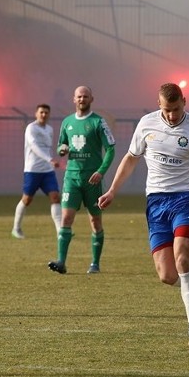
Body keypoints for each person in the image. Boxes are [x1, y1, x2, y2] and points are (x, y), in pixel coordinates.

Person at [97, 83, 189, 346]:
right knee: (168, 276)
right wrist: (112, 190)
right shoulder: (146, 124)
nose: (172, 115)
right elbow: (131, 159)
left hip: (186, 199)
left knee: (183, 259)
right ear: (159, 104)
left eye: (177, 109)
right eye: (167, 110)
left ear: (185, 101)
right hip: (156, 202)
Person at [47, 86, 116, 275]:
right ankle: (61, 261)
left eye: (85, 96)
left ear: (91, 99)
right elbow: (62, 144)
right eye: (79, 96)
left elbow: (111, 149)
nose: (82, 99)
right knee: (67, 218)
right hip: (72, 178)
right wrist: (62, 149)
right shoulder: (67, 122)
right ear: (74, 99)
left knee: (95, 221)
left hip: (92, 180)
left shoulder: (98, 122)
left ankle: (95, 263)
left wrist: (101, 171)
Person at [12, 103, 62, 239]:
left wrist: (55, 156)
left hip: (48, 171)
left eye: (46, 112)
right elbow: (34, 147)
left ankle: (60, 232)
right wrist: (50, 159)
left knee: (56, 197)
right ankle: (16, 228)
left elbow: (48, 148)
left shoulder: (50, 129)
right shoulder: (31, 128)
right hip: (32, 170)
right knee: (27, 199)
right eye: (41, 112)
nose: (44, 115)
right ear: (36, 114)